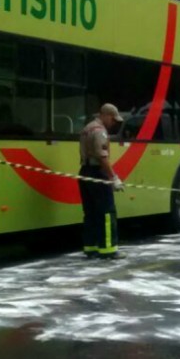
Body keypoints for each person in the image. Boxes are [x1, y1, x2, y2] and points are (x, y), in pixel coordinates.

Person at [79, 103, 125, 260]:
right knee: (107, 212)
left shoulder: (87, 128)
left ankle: (90, 247)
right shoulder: (100, 131)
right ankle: (108, 250)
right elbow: (102, 157)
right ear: (105, 115)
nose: (113, 123)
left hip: (84, 172)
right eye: (113, 119)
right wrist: (113, 178)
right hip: (97, 173)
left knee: (90, 213)